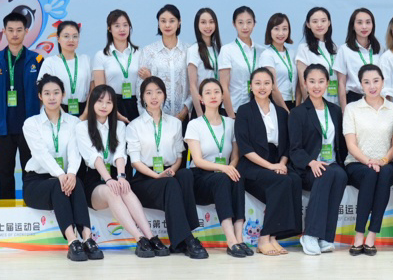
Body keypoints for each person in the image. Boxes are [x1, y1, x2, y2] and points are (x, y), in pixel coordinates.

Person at [125, 76, 208, 258]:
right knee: (170, 184)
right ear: (142, 97)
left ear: (164, 95)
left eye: (158, 92)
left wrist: (172, 170)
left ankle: (180, 241)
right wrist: (156, 176)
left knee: (186, 175)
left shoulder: (175, 123)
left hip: (169, 171)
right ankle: (187, 239)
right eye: (149, 93)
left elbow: (179, 156)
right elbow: (135, 161)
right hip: (145, 178)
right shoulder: (134, 126)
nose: (154, 97)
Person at [75, 84, 161, 258]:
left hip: (115, 174)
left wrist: (121, 177)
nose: (104, 106)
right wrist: (109, 180)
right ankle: (139, 239)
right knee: (112, 191)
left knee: (125, 188)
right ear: (92, 103)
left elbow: (120, 154)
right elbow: (94, 157)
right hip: (94, 181)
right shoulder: (81, 127)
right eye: (100, 101)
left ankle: (151, 237)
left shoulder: (120, 126)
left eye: (109, 102)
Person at [21, 74, 99, 261]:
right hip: (37, 183)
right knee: (59, 185)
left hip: (65, 178)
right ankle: (73, 241)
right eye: (47, 93)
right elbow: (41, 154)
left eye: (56, 93)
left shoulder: (74, 123)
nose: (52, 97)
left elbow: (74, 152)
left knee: (76, 182)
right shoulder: (31, 124)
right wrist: (61, 175)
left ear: (63, 95)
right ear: (40, 96)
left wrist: (70, 173)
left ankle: (88, 238)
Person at [235, 68, 301, 256]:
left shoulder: (281, 113)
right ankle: (264, 238)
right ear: (251, 86)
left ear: (273, 86)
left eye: (266, 83)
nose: (262, 87)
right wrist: (272, 167)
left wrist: (281, 164)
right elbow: (245, 147)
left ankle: (274, 237)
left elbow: (287, 145)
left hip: (277, 161)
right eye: (257, 83)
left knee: (294, 179)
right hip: (252, 164)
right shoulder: (244, 111)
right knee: (282, 181)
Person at [184, 78, 250, 257]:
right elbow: (197, 160)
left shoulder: (231, 123)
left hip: (223, 174)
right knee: (223, 178)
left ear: (222, 96)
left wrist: (231, 168)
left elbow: (235, 156)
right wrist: (224, 169)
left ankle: (239, 238)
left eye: (216, 92)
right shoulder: (195, 124)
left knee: (237, 177)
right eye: (208, 93)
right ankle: (230, 240)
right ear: (201, 98)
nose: (213, 96)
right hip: (201, 177)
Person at [0, 11, 43, 200]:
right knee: (5, 173)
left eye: (19, 30)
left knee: (30, 172)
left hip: (30, 127)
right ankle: (6, 210)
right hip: (4, 127)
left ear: (26, 31)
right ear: (4, 31)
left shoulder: (37, 60)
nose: (15, 34)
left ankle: (31, 207)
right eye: (10, 30)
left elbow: (43, 90)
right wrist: (2, 107)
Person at [289, 64, 349, 255]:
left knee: (340, 175)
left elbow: (341, 143)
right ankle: (310, 234)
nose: (316, 86)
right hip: (308, 168)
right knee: (326, 173)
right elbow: (295, 149)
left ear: (327, 83)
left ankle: (325, 237)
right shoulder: (298, 113)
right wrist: (311, 162)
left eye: (321, 81)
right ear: (305, 84)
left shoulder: (335, 110)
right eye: (312, 81)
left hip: (332, 164)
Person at [342, 64, 393, 255]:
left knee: (384, 175)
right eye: (366, 82)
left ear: (383, 82)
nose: (372, 86)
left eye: (376, 81)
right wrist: (369, 161)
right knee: (370, 175)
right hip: (357, 163)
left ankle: (371, 235)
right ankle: (359, 235)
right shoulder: (352, 109)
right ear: (361, 85)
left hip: (386, 163)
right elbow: (351, 145)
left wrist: (383, 160)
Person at [219, 6, 278, 115]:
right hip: (234, 108)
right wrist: (231, 115)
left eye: (249, 22)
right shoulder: (227, 50)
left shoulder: (262, 52)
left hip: (257, 110)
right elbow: (224, 86)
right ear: (234, 24)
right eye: (240, 22)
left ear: (254, 24)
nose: (245, 27)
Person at [138, 5, 191, 124]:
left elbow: (193, 85)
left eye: (172, 21)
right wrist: (147, 117)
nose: (167, 25)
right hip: (154, 118)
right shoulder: (148, 51)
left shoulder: (188, 50)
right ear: (158, 24)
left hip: (182, 118)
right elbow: (140, 88)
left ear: (179, 22)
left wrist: (184, 112)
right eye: (163, 21)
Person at [92, 9, 141, 122]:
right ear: (109, 28)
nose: (122, 29)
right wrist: (114, 112)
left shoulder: (139, 53)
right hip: (111, 105)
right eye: (117, 26)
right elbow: (100, 90)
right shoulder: (101, 55)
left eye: (125, 25)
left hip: (136, 104)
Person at [38, 21, 92, 118]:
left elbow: (93, 88)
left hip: (85, 112)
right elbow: (44, 90)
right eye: (66, 36)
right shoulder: (50, 62)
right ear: (58, 39)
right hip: (57, 111)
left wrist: (85, 114)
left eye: (75, 36)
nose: (71, 40)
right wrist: (63, 116)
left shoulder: (86, 60)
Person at [335, 7, 382, 110]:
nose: (364, 26)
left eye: (368, 22)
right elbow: (341, 84)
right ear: (353, 26)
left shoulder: (379, 49)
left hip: (376, 99)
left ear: (372, 25)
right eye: (359, 23)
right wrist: (344, 110)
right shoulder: (344, 50)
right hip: (354, 99)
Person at [294, 7, 339, 105]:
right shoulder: (304, 48)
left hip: (335, 102)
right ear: (308, 24)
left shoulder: (335, 48)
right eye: (315, 21)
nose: (319, 25)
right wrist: (310, 107)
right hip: (315, 103)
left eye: (323, 21)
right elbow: (303, 84)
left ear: (329, 23)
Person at [256, 13, 296, 110]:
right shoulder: (267, 55)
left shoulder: (292, 53)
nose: (281, 33)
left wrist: (297, 109)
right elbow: (273, 88)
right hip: (276, 103)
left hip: (293, 101)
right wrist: (287, 111)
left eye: (284, 29)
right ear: (270, 31)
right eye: (276, 29)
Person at [186, 8, 222, 117]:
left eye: (211, 22)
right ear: (197, 25)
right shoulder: (193, 50)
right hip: (202, 105)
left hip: (218, 103)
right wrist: (200, 115)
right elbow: (192, 85)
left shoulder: (219, 49)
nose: (208, 26)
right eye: (203, 22)